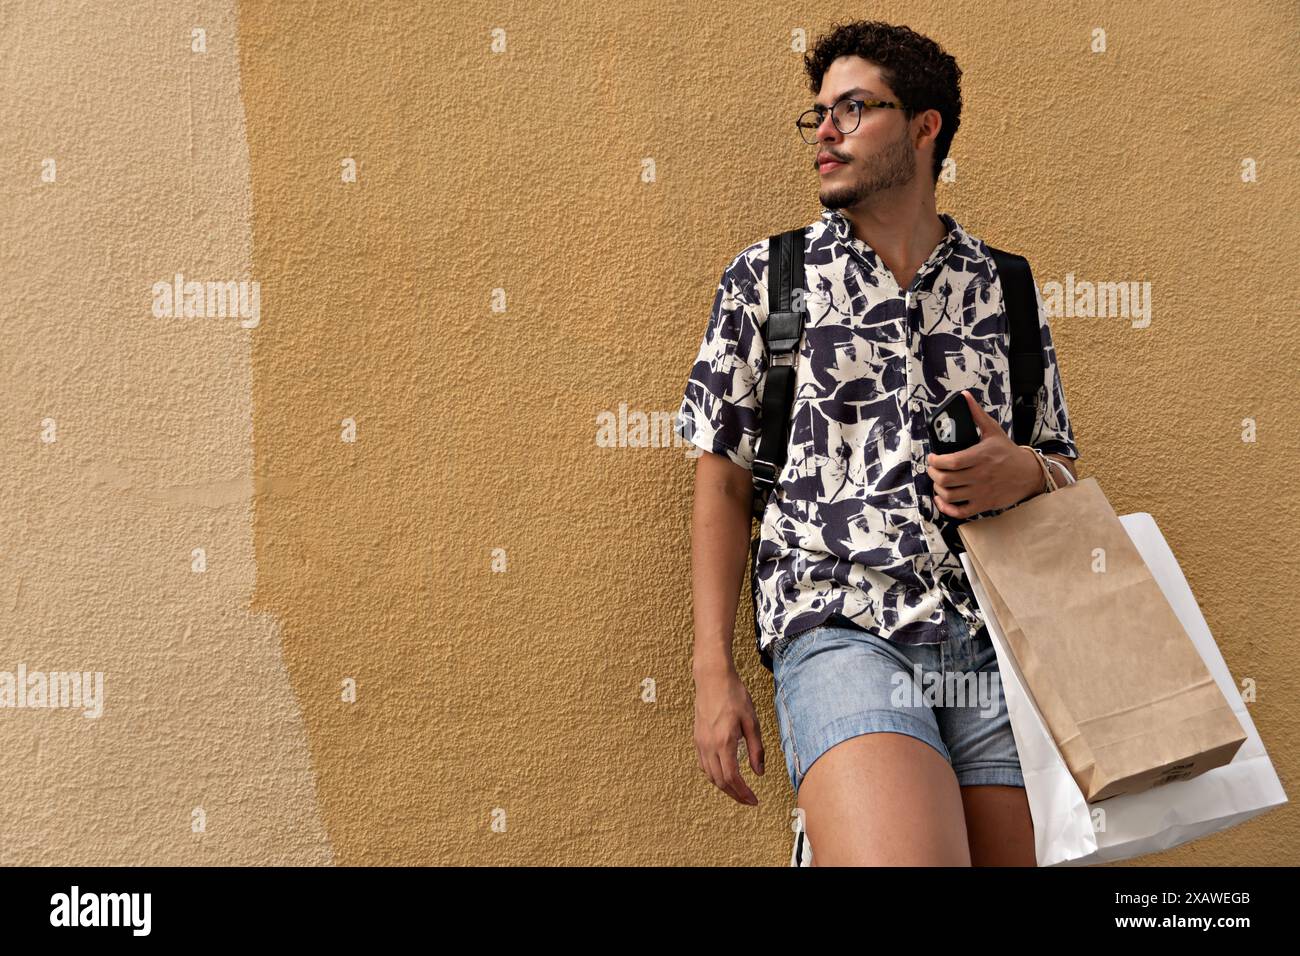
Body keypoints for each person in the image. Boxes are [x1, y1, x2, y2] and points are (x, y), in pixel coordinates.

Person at [675, 20, 1081, 866]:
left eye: (853, 109)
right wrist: (713, 673)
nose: (824, 131)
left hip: (994, 644)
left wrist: (1022, 471)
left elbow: (1061, 464)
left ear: (925, 127)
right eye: (817, 114)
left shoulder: (1004, 286)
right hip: (839, 627)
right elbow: (720, 483)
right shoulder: (769, 278)